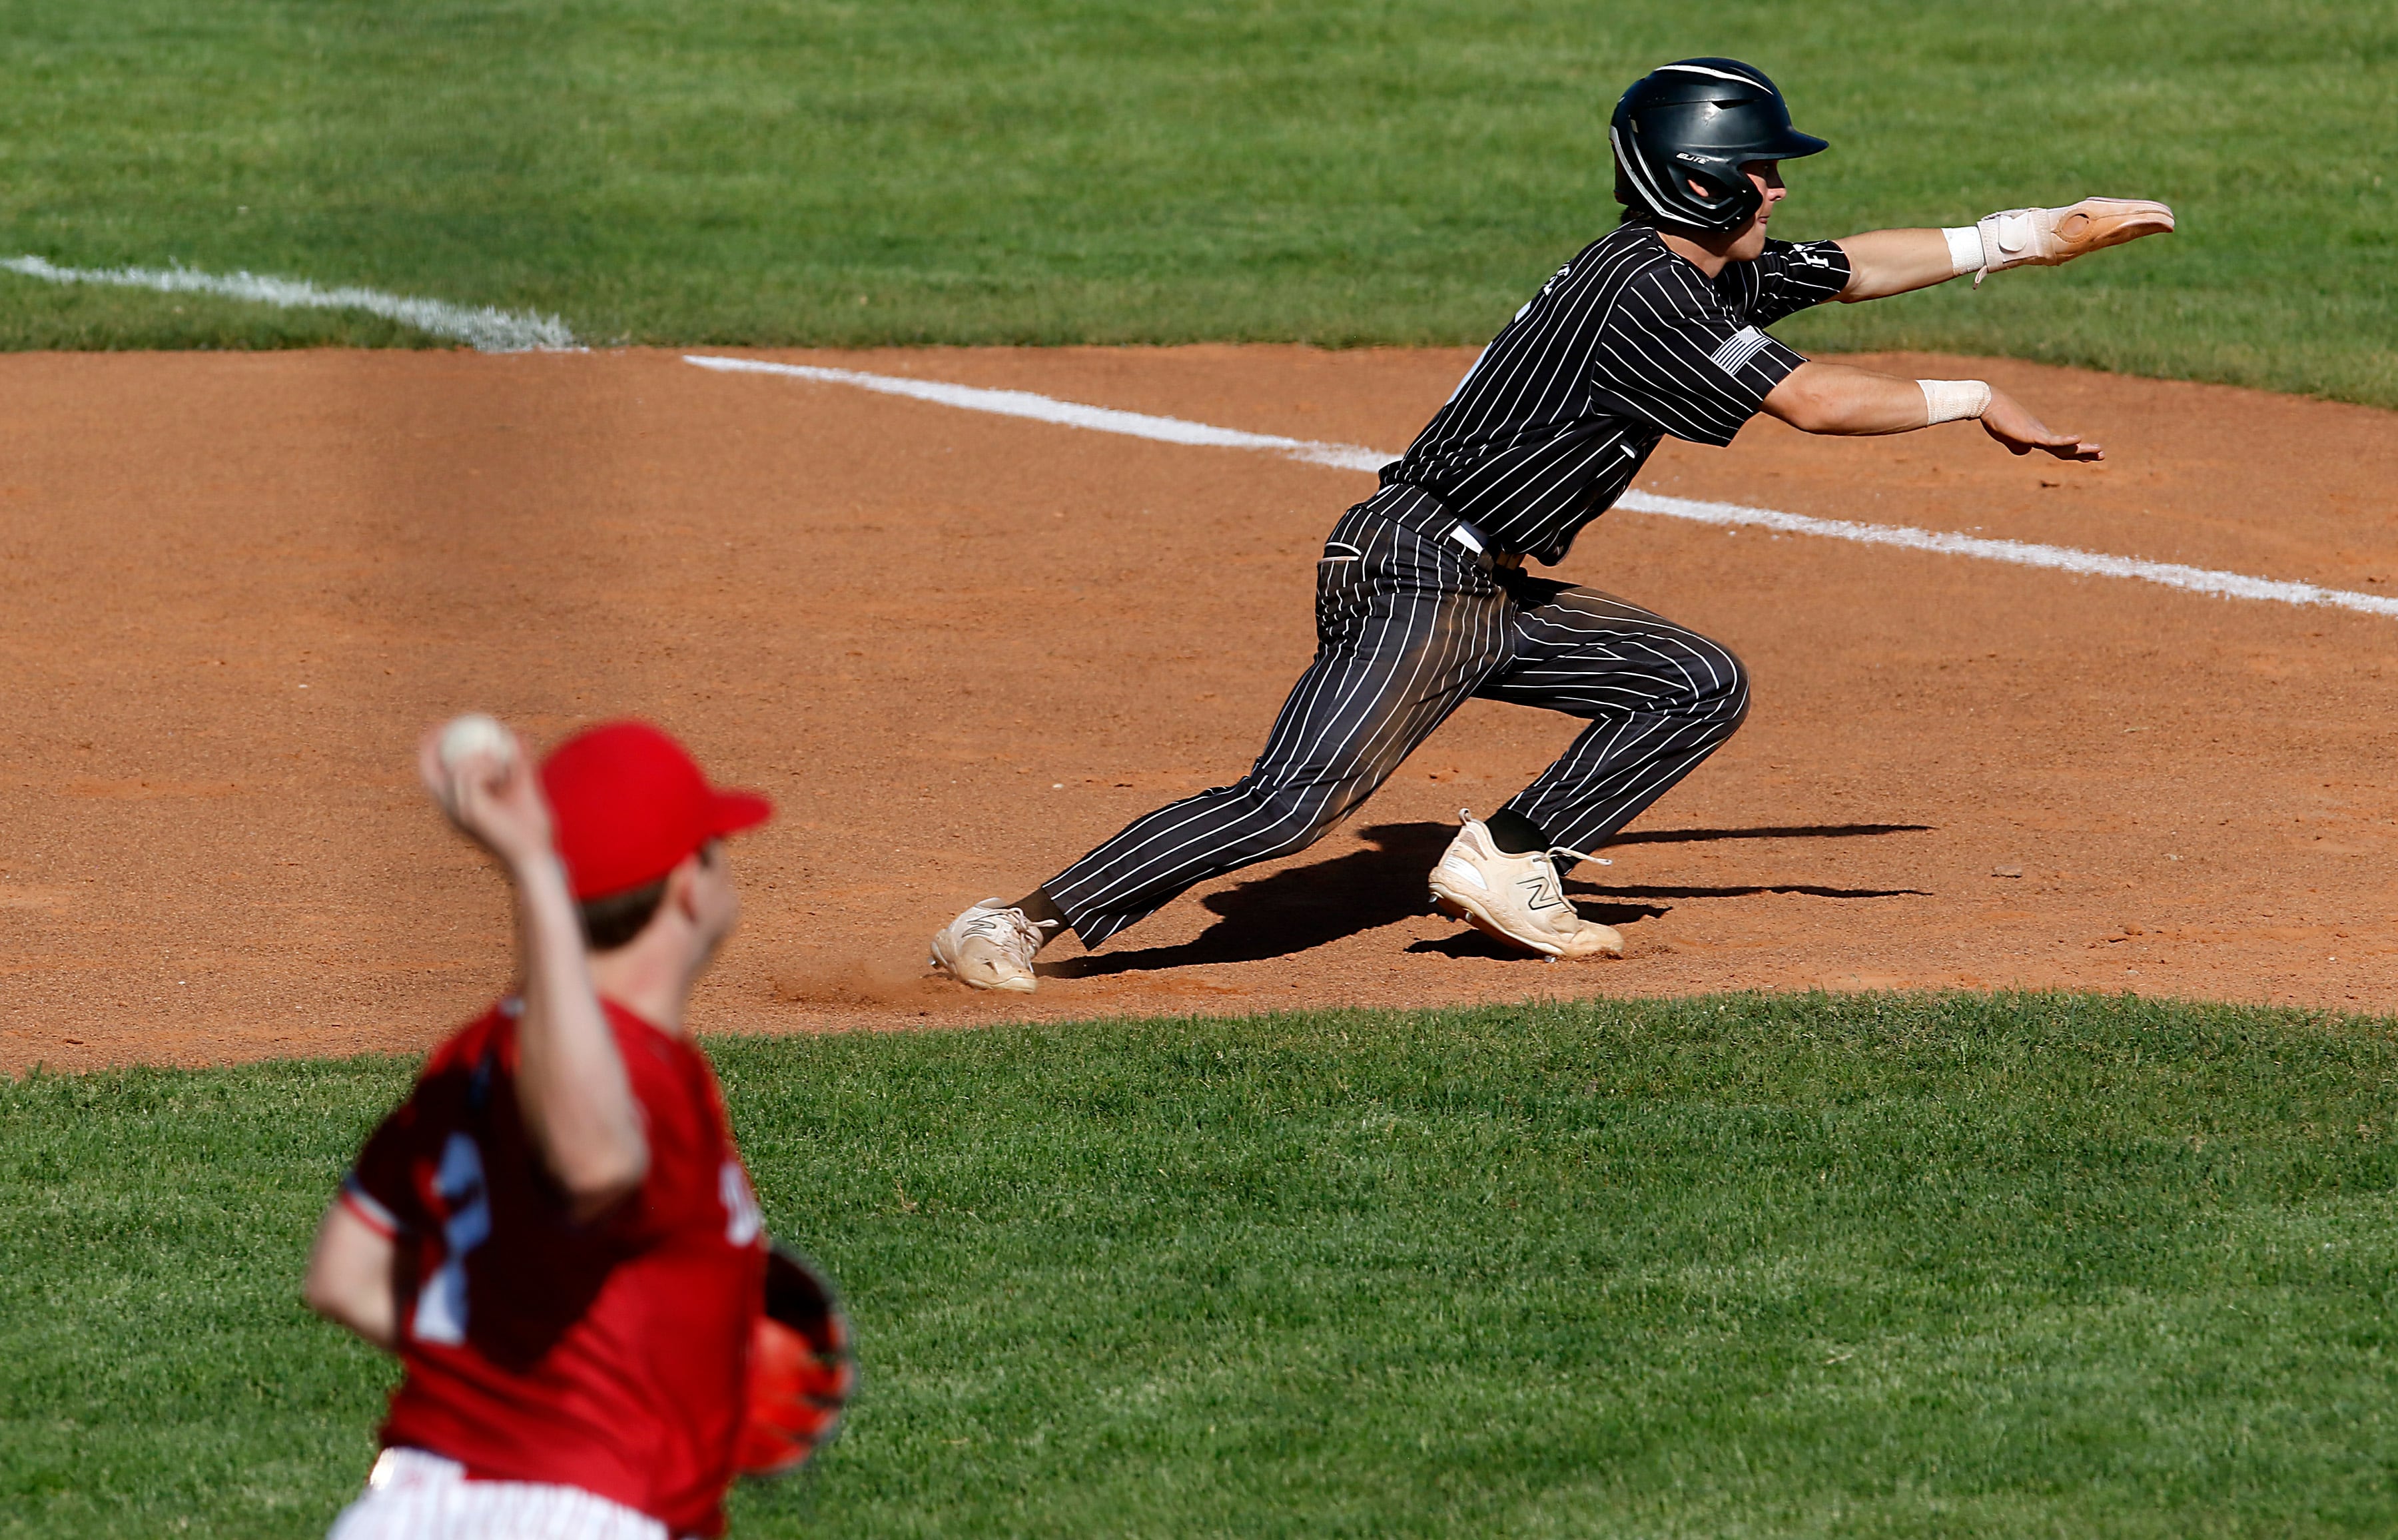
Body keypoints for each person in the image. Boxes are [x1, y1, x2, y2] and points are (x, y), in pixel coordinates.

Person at [930, 56, 2172, 990]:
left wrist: (2031, 237)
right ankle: (1015, 919)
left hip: (1487, 589)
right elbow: (1815, 401)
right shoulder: (1646, 293)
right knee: (1292, 804)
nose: (1780, 188)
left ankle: (1513, 858)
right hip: (1418, 574)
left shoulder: (1682, 263)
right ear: (1700, 178)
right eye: (1763, 169)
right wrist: (1977, 398)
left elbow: (1847, 264)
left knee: (1693, 682)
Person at [302, 719, 777, 1540]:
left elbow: (343, 1273)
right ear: (689, 884)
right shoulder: (640, 1069)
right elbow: (595, 1159)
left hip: (405, 1509)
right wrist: (530, 864)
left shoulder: (475, 1053)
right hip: (584, 1512)